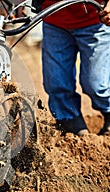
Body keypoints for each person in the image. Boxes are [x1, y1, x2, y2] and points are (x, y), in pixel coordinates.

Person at [40, 0, 110, 136]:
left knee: (96, 84)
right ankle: (70, 121)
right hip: (54, 19)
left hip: (95, 20)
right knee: (56, 82)